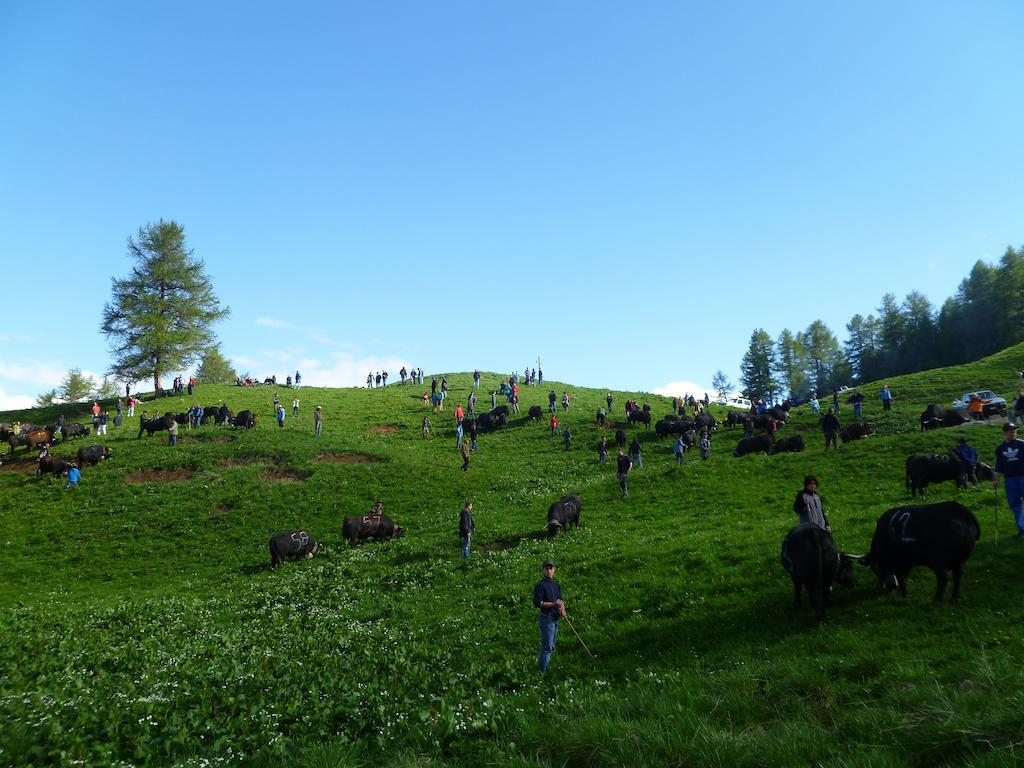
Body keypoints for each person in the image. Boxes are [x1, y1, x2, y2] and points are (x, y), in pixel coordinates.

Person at [533, 559, 566, 673]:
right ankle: (542, 672)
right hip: (547, 619)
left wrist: (563, 611)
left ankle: (545, 667)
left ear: (554, 570)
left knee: (551, 646)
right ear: (543, 570)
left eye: (550, 568)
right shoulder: (540, 585)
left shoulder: (556, 584)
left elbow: (560, 600)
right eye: (546, 568)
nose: (548, 571)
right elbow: (537, 603)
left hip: (556, 618)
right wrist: (553, 603)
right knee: (547, 647)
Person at [993, 423, 1024, 538]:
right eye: (1011, 431)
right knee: (1015, 504)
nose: (1013, 433)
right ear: (1005, 433)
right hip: (1010, 479)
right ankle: (1022, 529)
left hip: (1023, 477)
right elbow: (999, 466)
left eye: (1015, 431)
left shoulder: (1022, 444)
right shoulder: (1000, 449)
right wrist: (996, 480)